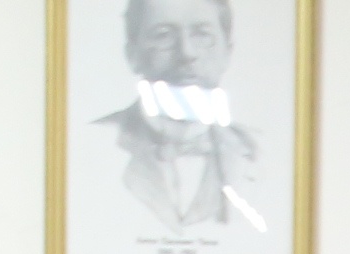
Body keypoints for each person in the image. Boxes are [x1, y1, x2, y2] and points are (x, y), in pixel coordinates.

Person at [101, 0, 265, 232]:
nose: (187, 53)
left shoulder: (265, 152)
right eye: (163, 35)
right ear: (132, 55)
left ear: (227, 52)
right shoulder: (90, 144)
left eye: (202, 35)